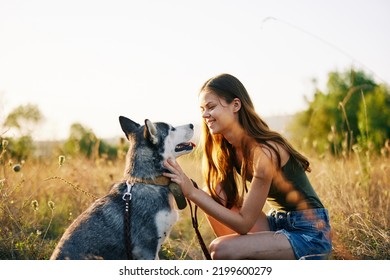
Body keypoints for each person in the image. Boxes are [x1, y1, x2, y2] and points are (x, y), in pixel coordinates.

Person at [163, 73, 332, 260]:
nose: (204, 115)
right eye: (202, 109)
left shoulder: (265, 152)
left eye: (211, 107)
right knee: (215, 192)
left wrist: (191, 193)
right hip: (277, 222)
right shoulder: (230, 149)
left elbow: (244, 224)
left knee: (220, 250)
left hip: (310, 233)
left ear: (236, 105)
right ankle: (247, 259)